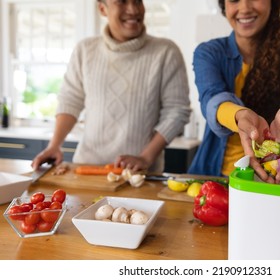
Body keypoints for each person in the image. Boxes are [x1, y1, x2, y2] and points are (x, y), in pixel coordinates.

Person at [32, 0, 191, 174]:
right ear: (102, 9)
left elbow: (177, 111)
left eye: (138, 1)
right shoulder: (85, 50)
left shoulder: (166, 51)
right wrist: (54, 145)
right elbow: (71, 100)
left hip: (138, 175)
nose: (133, 9)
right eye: (121, 2)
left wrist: (146, 157)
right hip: (86, 169)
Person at [188, 0, 280, 184]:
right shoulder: (209, 53)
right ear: (224, 6)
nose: (244, 8)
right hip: (216, 176)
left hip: (272, 178)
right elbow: (212, 98)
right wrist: (239, 116)